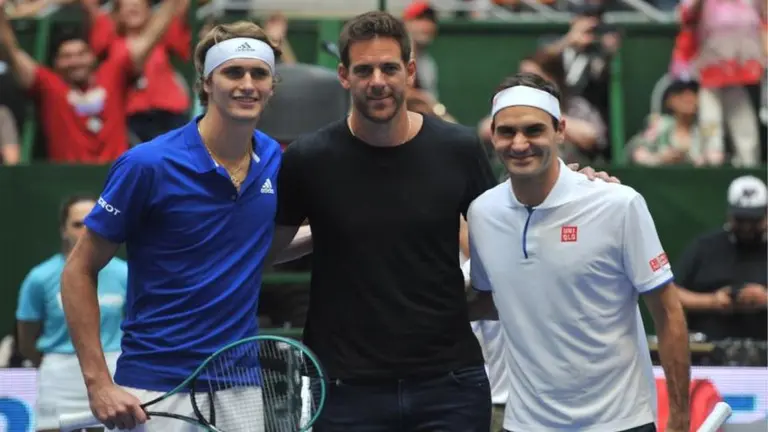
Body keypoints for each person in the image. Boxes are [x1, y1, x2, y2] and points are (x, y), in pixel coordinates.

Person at [270, 11, 618, 432]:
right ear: (344, 75)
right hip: (345, 388)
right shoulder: (309, 158)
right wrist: (325, 229)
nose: (377, 80)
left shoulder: (456, 148)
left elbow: (509, 225)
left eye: (389, 68)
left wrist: (575, 187)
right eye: (364, 69)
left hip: (448, 386)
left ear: (410, 71)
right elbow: (271, 248)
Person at [60, 21, 311, 432]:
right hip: (153, 387)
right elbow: (78, 270)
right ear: (207, 83)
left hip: (240, 385)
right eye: (233, 72)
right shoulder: (147, 165)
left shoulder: (273, 159)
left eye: (259, 73)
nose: (247, 84)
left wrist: (333, 231)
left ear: (272, 86)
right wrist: (99, 384)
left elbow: (257, 251)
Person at [467, 72, 691, 432]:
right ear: (492, 135)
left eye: (534, 130)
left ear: (560, 131)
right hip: (526, 424)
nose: (519, 143)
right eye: (507, 132)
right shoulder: (482, 213)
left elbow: (667, 311)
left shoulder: (619, 203)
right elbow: (489, 301)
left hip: (621, 422)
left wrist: (680, 418)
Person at [16, 195, 127, 432]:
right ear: (63, 230)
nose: (85, 230)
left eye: (92, 222)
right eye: (77, 224)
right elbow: (26, 338)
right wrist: (50, 361)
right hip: (59, 377)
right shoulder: (40, 277)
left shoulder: (125, 273)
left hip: (114, 372)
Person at [675, 175, 767, 341]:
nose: (747, 227)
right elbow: (671, 293)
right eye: (741, 219)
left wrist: (764, 298)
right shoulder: (705, 246)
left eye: (753, 220)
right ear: (729, 214)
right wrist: (713, 301)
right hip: (708, 352)